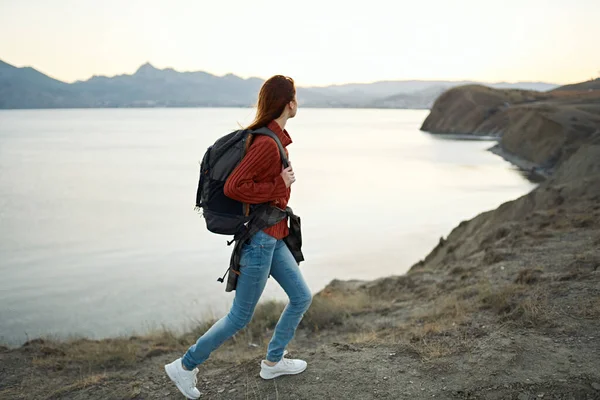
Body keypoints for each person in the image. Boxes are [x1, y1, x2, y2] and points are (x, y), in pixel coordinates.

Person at [165, 75, 312, 399]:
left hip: (273, 235)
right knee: (240, 316)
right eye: (295, 97)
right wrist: (280, 185)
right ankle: (185, 365)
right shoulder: (265, 143)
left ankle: (273, 361)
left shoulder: (274, 139)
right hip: (260, 239)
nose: (297, 102)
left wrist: (279, 184)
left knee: (301, 297)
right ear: (289, 103)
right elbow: (235, 186)